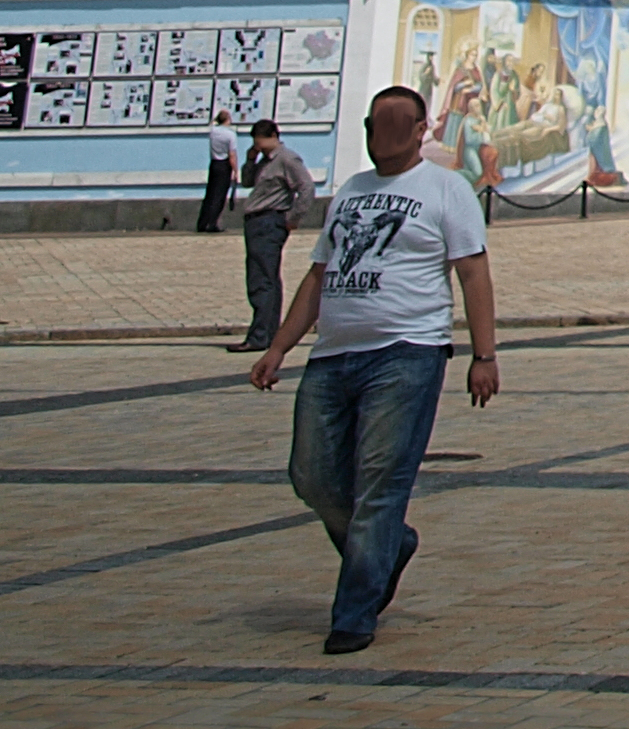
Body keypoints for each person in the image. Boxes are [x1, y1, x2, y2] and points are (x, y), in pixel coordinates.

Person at [249, 84, 500, 656]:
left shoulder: (447, 189)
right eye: (373, 126)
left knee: (380, 488)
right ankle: (390, 548)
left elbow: (473, 273)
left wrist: (484, 355)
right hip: (333, 354)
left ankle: (355, 612)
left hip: (408, 352)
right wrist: (279, 347)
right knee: (311, 476)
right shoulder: (352, 192)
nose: (380, 137)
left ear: (419, 131)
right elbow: (318, 275)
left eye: (394, 126)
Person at [232, 118, 319, 352]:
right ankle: (265, 332)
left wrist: (293, 219)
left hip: (270, 220)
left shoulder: (287, 159)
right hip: (256, 221)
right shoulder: (264, 160)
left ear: (273, 136)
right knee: (261, 277)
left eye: (260, 140)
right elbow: (248, 182)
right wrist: (250, 160)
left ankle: (261, 335)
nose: (258, 145)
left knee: (263, 280)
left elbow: (306, 188)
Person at [199, 108, 241, 235]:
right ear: (228, 119)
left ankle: (202, 223)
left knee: (210, 194)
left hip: (214, 163)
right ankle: (213, 223)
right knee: (220, 195)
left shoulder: (213, 132)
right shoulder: (230, 135)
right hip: (224, 165)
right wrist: (235, 170)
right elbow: (232, 155)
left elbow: (211, 124)